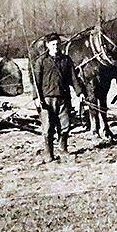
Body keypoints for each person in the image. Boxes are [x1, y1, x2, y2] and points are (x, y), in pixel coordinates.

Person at [33, 33, 86, 163]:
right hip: (47, 99)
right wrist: (36, 97)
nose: (55, 47)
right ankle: (49, 153)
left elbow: (73, 78)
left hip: (63, 98)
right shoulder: (41, 61)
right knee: (48, 128)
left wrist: (79, 93)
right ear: (47, 45)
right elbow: (36, 82)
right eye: (53, 44)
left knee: (65, 126)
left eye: (57, 44)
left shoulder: (66, 60)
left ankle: (63, 149)